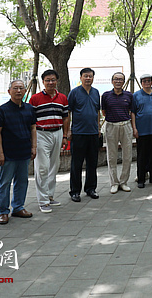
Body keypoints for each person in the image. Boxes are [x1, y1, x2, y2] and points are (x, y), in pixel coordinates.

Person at [0, 80, 37, 224]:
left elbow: (33, 129)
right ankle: (3, 211)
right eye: (15, 88)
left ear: (25, 91)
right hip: (8, 153)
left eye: (21, 88)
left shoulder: (29, 109)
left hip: (24, 151)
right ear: (9, 91)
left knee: (22, 181)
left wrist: (34, 147)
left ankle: (18, 207)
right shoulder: (2, 110)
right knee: (5, 182)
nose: (18, 91)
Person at [30, 69, 69, 213]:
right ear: (43, 82)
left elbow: (65, 117)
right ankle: (43, 201)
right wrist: (32, 139)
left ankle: (50, 196)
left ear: (57, 81)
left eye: (53, 80)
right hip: (41, 134)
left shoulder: (62, 98)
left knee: (54, 165)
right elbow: (31, 120)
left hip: (57, 132)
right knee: (42, 167)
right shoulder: (35, 98)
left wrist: (65, 135)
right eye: (47, 80)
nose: (50, 82)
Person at [68, 68, 101, 202]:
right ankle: (75, 191)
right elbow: (69, 112)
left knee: (92, 163)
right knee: (77, 163)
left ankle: (91, 188)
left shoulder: (95, 92)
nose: (88, 78)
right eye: (85, 76)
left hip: (93, 133)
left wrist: (98, 128)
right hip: (78, 133)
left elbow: (97, 111)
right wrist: (69, 130)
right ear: (81, 77)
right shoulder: (74, 93)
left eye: (90, 76)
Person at [102, 72, 134, 194]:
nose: (118, 81)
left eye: (121, 79)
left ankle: (124, 182)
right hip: (111, 126)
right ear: (112, 81)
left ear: (124, 81)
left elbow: (131, 111)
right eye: (116, 79)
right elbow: (104, 112)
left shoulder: (129, 95)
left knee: (127, 155)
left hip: (126, 125)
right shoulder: (106, 96)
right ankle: (114, 183)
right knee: (112, 156)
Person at [133, 74, 152, 188]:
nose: (147, 83)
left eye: (149, 81)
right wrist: (134, 128)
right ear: (141, 83)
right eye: (144, 81)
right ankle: (141, 179)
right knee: (142, 155)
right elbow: (133, 112)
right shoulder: (136, 95)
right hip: (142, 130)